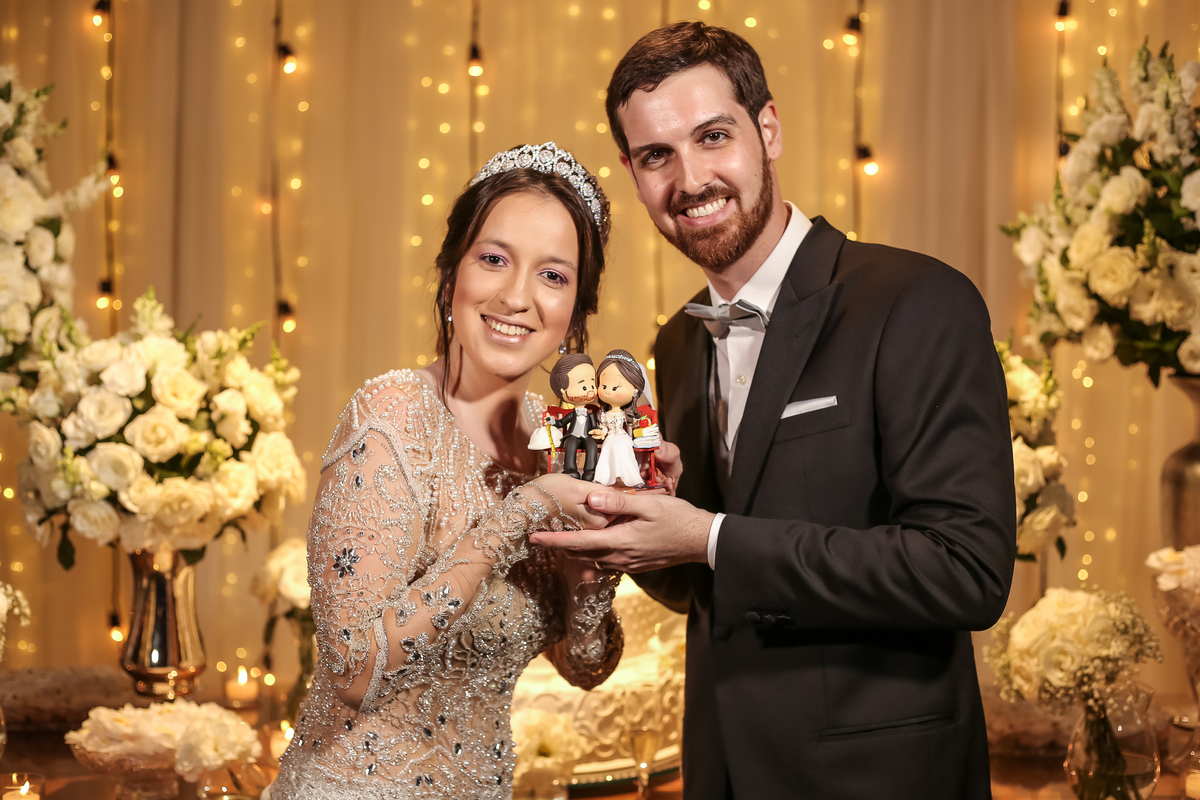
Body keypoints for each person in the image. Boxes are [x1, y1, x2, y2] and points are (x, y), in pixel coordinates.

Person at [530, 23, 1015, 800]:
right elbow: (709, 587)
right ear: (631, 173)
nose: (690, 180)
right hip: (720, 770)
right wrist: (638, 519)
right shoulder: (677, 341)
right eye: (656, 156)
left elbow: (965, 571)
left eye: (713, 136)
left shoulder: (917, 301)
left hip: (877, 779)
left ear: (769, 129)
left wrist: (709, 535)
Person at [268, 142, 624, 800]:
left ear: (578, 309)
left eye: (552, 275)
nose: (516, 297)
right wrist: (523, 512)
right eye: (494, 259)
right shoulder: (392, 416)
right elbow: (352, 671)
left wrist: (596, 565)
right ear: (451, 270)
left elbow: (584, 666)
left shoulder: (561, 441)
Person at [592, 349, 646, 488]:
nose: (607, 391)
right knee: (607, 447)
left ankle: (627, 477)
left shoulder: (624, 414)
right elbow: (604, 428)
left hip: (622, 437)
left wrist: (639, 424)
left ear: (634, 390)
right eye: (604, 386)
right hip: (610, 437)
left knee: (623, 446)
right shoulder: (604, 414)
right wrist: (601, 433)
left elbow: (633, 423)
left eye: (615, 388)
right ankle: (607, 477)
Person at [548, 354, 601, 481]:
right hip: (573, 436)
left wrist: (596, 431)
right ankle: (570, 470)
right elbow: (561, 423)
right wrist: (553, 421)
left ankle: (590, 471)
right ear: (563, 391)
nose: (589, 391)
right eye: (584, 387)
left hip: (587, 437)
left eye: (592, 385)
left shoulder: (590, 415)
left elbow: (594, 427)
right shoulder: (572, 414)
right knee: (570, 443)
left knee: (592, 445)